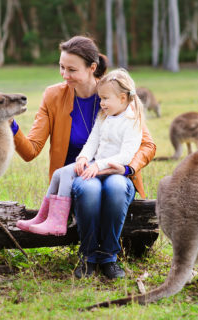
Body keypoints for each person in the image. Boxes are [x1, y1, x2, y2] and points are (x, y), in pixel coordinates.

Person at [11, 35, 156, 279]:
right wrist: (11, 126)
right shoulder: (53, 96)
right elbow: (30, 150)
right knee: (88, 190)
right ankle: (88, 256)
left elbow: (148, 145)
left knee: (117, 187)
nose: (64, 75)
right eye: (61, 67)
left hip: (116, 171)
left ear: (92, 68)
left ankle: (109, 257)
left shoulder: (118, 93)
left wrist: (128, 169)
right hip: (78, 176)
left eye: (71, 69)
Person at [16, 68, 143, 239]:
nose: (101, 103)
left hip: (109, 168)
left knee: (69, 176)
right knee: (59, 174)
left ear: (122, 98)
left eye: (105, 99)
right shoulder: (104, 115)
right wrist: (83, 157)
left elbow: (128, 154)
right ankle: (44, 217)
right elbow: (92, 141)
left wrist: (101, 165)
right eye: (101, 99)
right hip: (95, 163)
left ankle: (58, 222)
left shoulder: (131, 119)